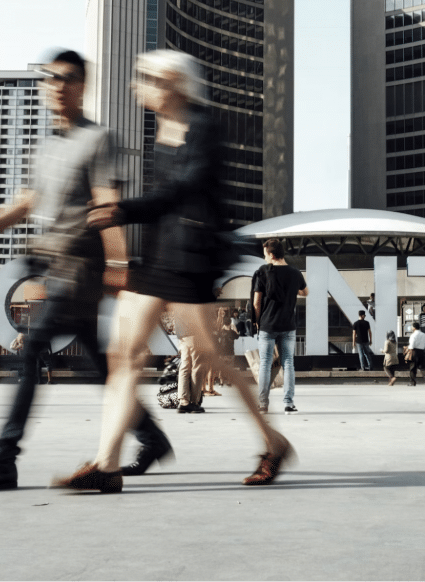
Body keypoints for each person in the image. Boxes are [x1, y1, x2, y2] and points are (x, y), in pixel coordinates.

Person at [54, 50, 292, 492]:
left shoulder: (203, 126)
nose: (138, 85)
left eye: (148, 78)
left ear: (174, 84)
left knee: (214, 358)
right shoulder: (162, 130)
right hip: (158, 257)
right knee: (123, 354)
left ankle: (274, 443)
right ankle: (106, 464)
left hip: (190, 261)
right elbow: (165, 200)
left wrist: (122, 210)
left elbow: (185, 189)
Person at [0, 49, 171, 491]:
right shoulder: (48, 146)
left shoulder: (98, 139)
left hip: (82, 266)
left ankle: (3, 457)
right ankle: (152, 437)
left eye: (67, 78)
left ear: (82, 86)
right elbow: (27, 203)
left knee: (31, 350)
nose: (57, 85)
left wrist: (119, 264)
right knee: (96, 365)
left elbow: (107, 202)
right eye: (50, 78)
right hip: (55, 265)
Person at [253, 238, 308, 414]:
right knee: (288, 363)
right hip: (288, 325)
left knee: (265, 364)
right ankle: (289, 403)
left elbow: (256, 302)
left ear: (271, 254)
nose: (264, 258)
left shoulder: (263, 272)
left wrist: (257, 321)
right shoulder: (295, 273)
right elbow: (305, 292)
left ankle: (263, 404)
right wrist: (291, 290)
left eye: (265, 255)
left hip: (267, 325)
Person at [404, 321, 425, 386]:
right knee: (422, 367)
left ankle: (412, 382)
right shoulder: (424, 335)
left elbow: (412, 345)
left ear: (414, 328)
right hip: (422, 352)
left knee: (412, 368)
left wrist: (408, 349)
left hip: (414, 352)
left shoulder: (413, 335)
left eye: (412, 327)